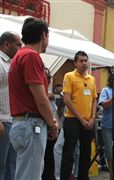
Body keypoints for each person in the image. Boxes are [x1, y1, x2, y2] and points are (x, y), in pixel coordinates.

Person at [8, 17, 58, 180]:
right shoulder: (31, 56)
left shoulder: (19, 56)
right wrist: (52, 124)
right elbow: (41, 99)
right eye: (48, 36)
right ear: (44, 35)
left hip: (22, 123)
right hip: (32, 125)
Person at [60, 50, 97, 180]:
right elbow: (67, 100)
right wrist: (81, 119)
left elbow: (94, 99)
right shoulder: (69, 76)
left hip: (88, 121)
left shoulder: (91, 78)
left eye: (86, 60)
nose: (84, 63)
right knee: (68, 153)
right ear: (75, 63)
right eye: (81, 61)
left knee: (86, 154)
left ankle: (83, 177)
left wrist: (92, 118)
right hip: (73, 120)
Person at [0, 31, 21, 180]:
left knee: (12, 163)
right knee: (1, 163)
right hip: (3, 120)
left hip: (12, 120)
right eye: (18, 44)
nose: (20, 48)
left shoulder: (12, 63)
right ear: (7, 44)